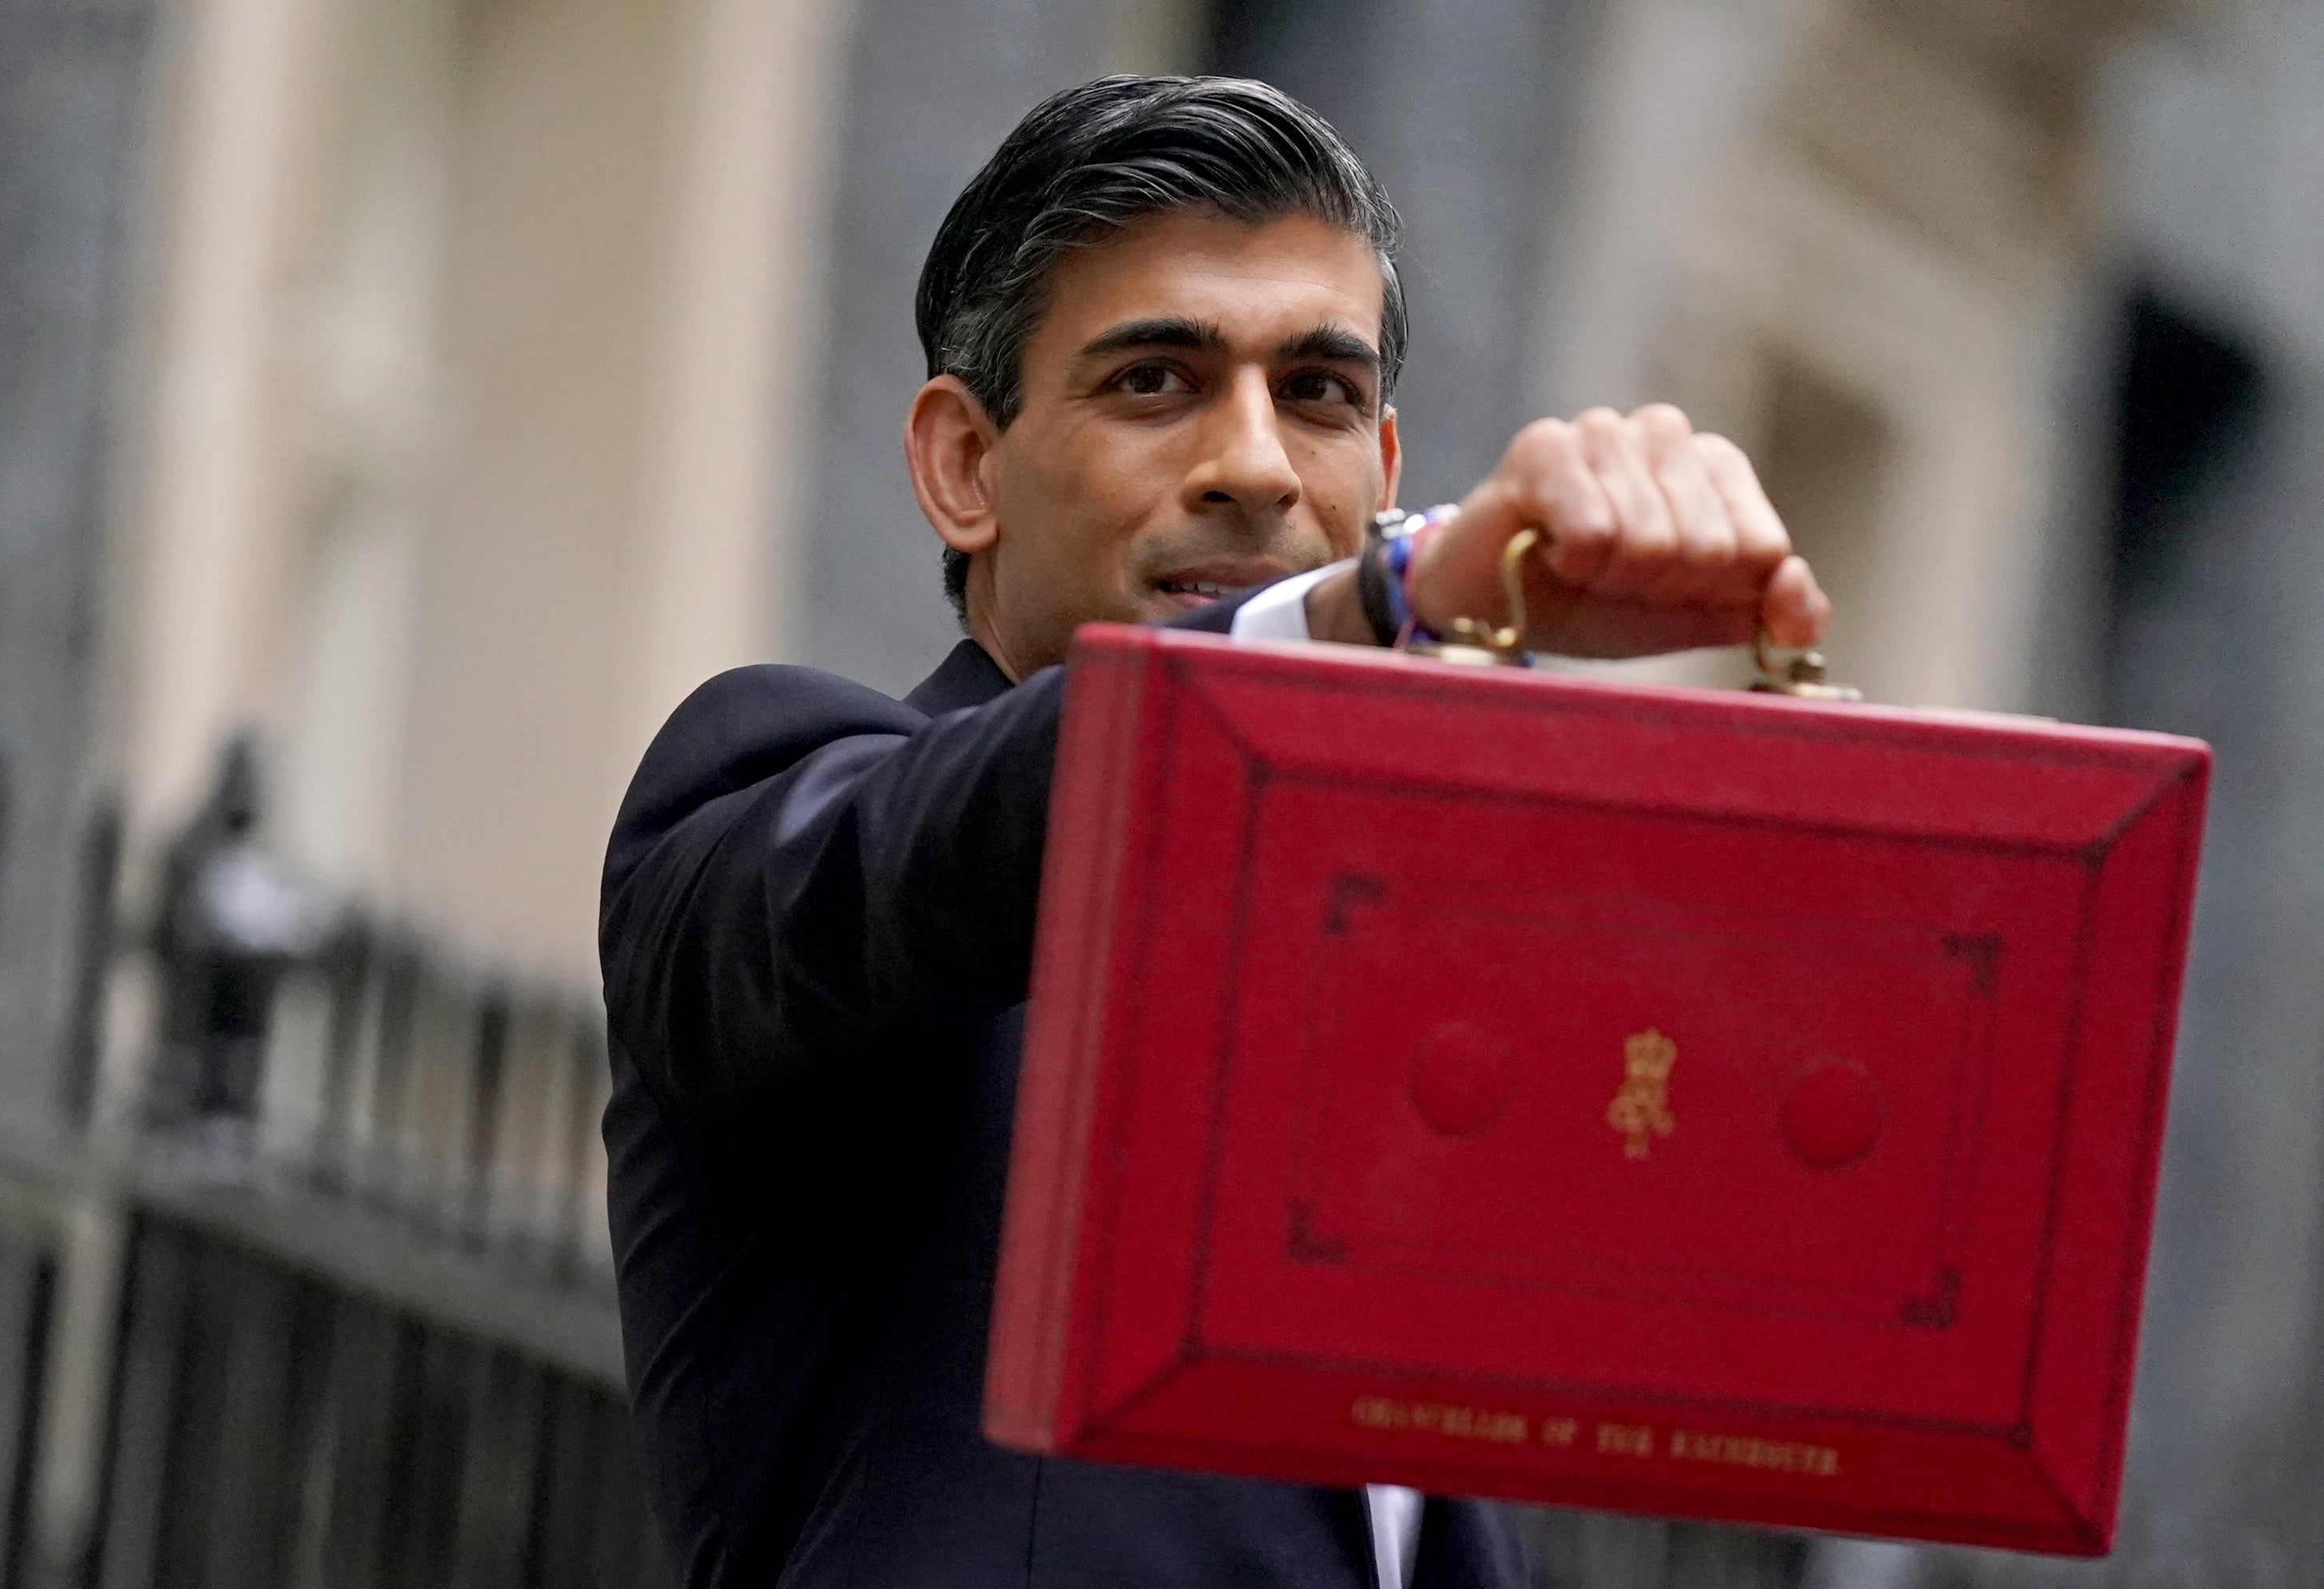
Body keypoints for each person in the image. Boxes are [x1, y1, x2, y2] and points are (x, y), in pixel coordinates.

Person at [600, 76, 1828, 1589]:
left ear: (1381, 473)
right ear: (963, 466)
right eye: (1156, 382)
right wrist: (1376, 611)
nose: (1253, 462)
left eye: (1315, 392)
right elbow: (927, 856)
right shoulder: (782, 794)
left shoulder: (1429, 978)